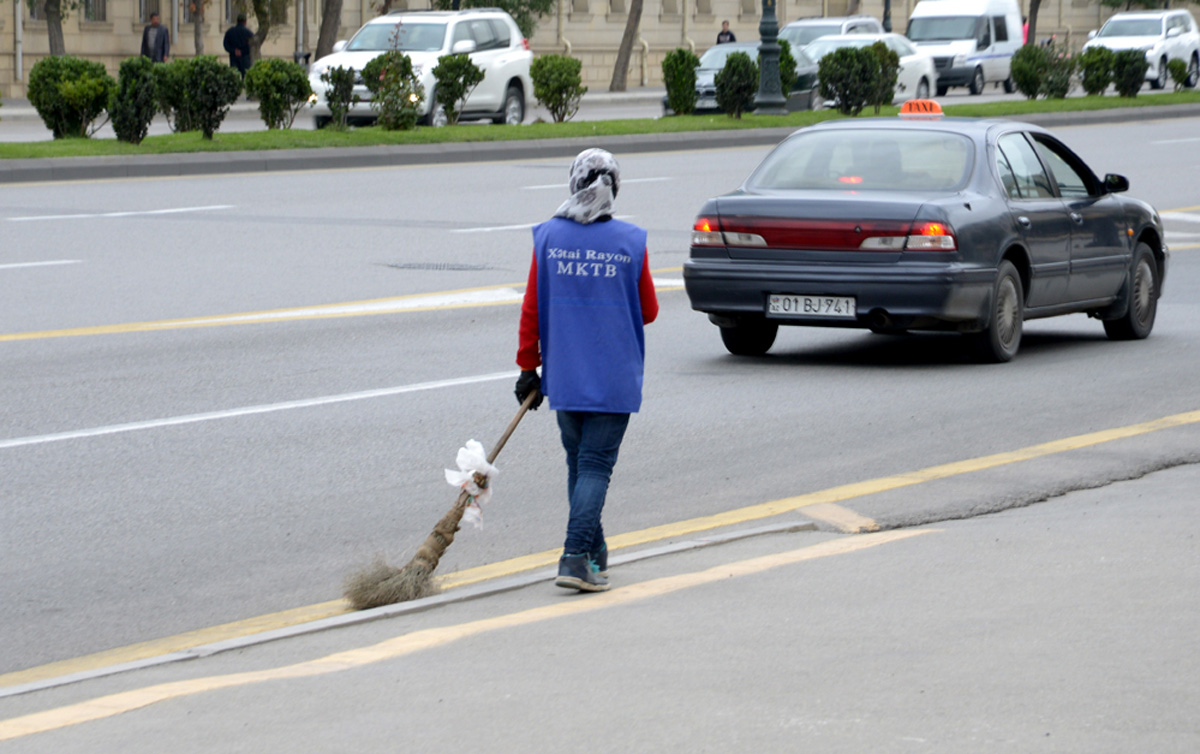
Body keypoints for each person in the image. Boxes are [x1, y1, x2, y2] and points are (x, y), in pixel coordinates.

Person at [514, 148, 659, 593]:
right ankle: (575, 556)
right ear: (613, 188)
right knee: (595, 466)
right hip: (612, 378)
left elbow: (531, 310)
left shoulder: (549, 238)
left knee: (579, 463)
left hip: (566, 376)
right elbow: (649, 311)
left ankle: (595, 552)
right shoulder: (631, 242)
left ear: (575, 183)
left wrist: (527, 368)